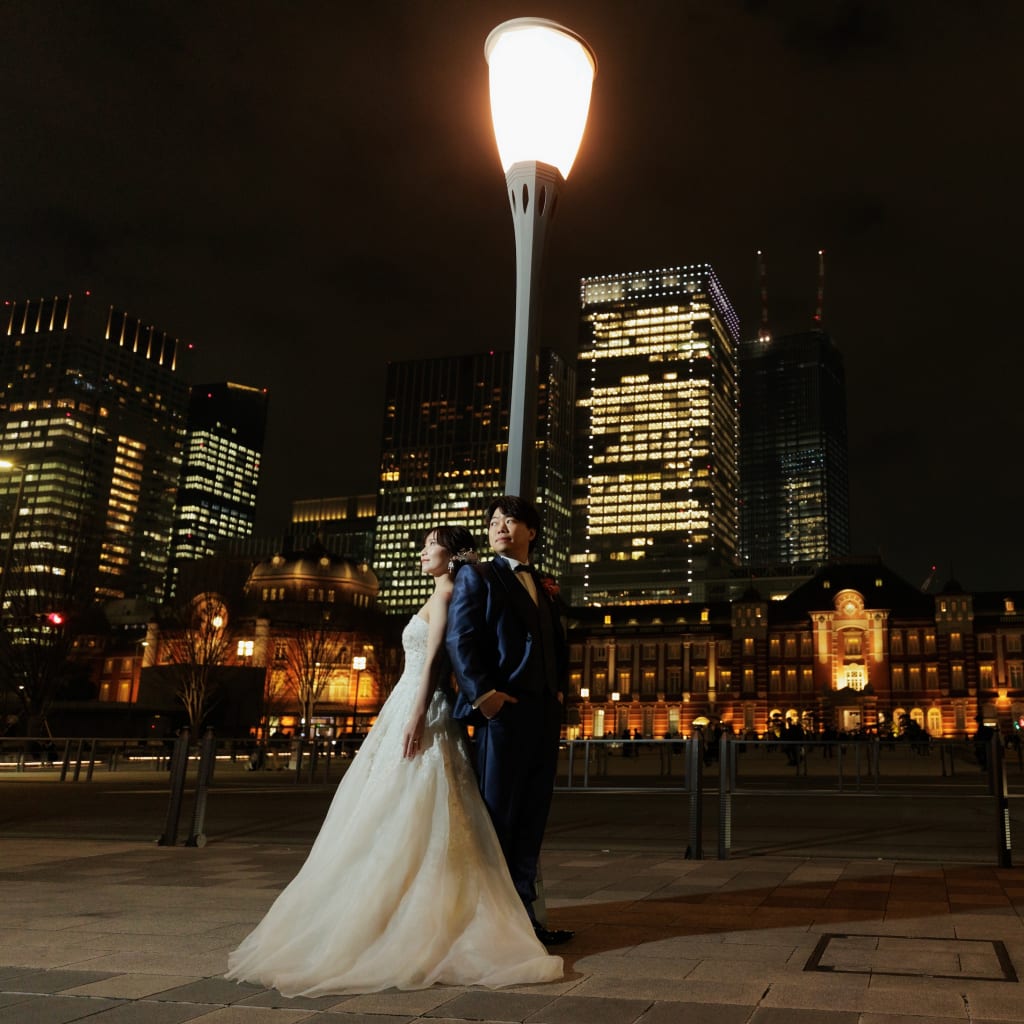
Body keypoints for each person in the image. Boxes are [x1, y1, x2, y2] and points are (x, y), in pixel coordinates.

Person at [225, 524, 562, 996]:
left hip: (420, 705)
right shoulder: (439, 591)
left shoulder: (451, 594)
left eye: (430, 547)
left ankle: (415, 913)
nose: (422, 552)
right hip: (402, 702)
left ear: (452, 555)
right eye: (423, 546)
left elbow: (434, 665)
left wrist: (419, 713)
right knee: (384, 804)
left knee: (418, 804)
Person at [446, 495, 573, 947]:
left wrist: (559, 692)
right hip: (502, 714)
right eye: (494, 522)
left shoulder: (545, 584)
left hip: (543, 714)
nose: (500, 527)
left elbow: (557, 644)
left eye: (511, 520)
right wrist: (483, 696)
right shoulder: (477, 575)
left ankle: (525, 921)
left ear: (531, 532)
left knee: (533, 817)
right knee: (497, 817)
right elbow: (461, 638)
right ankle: (486, 924)